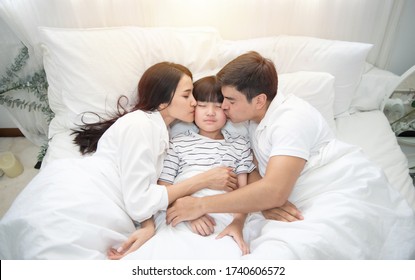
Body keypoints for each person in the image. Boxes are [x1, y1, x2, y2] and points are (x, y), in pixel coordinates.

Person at [166, 52, 415, 259]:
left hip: (339, 190)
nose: (223, 107)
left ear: (260, 100)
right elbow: (256, 175)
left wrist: (199, 205)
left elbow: (274, 191)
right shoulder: (248, 119)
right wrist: (262, 203)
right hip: (291, 199)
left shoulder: (291, 120)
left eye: (230, 100)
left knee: (292, 254)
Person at [0, 62, 237, 260]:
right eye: (187, 95)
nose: (195, 103)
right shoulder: (141, 125)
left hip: (104, 195)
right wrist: (202, 180)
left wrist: (148, 226)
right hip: (84, 194)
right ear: (164, 100)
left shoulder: (158, 131)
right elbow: (139, 201)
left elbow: (138, 186)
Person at [121, 76, 256, 259]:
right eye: (202, 105)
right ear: (193, 108)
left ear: (227, 109)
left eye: (218, 106)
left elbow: (245, 193)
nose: (210, 112)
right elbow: (164, 188)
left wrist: (238, 222)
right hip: (181, 213)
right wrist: (190, 214)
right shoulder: (177, 143)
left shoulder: (239, 145)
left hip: (222, 215)